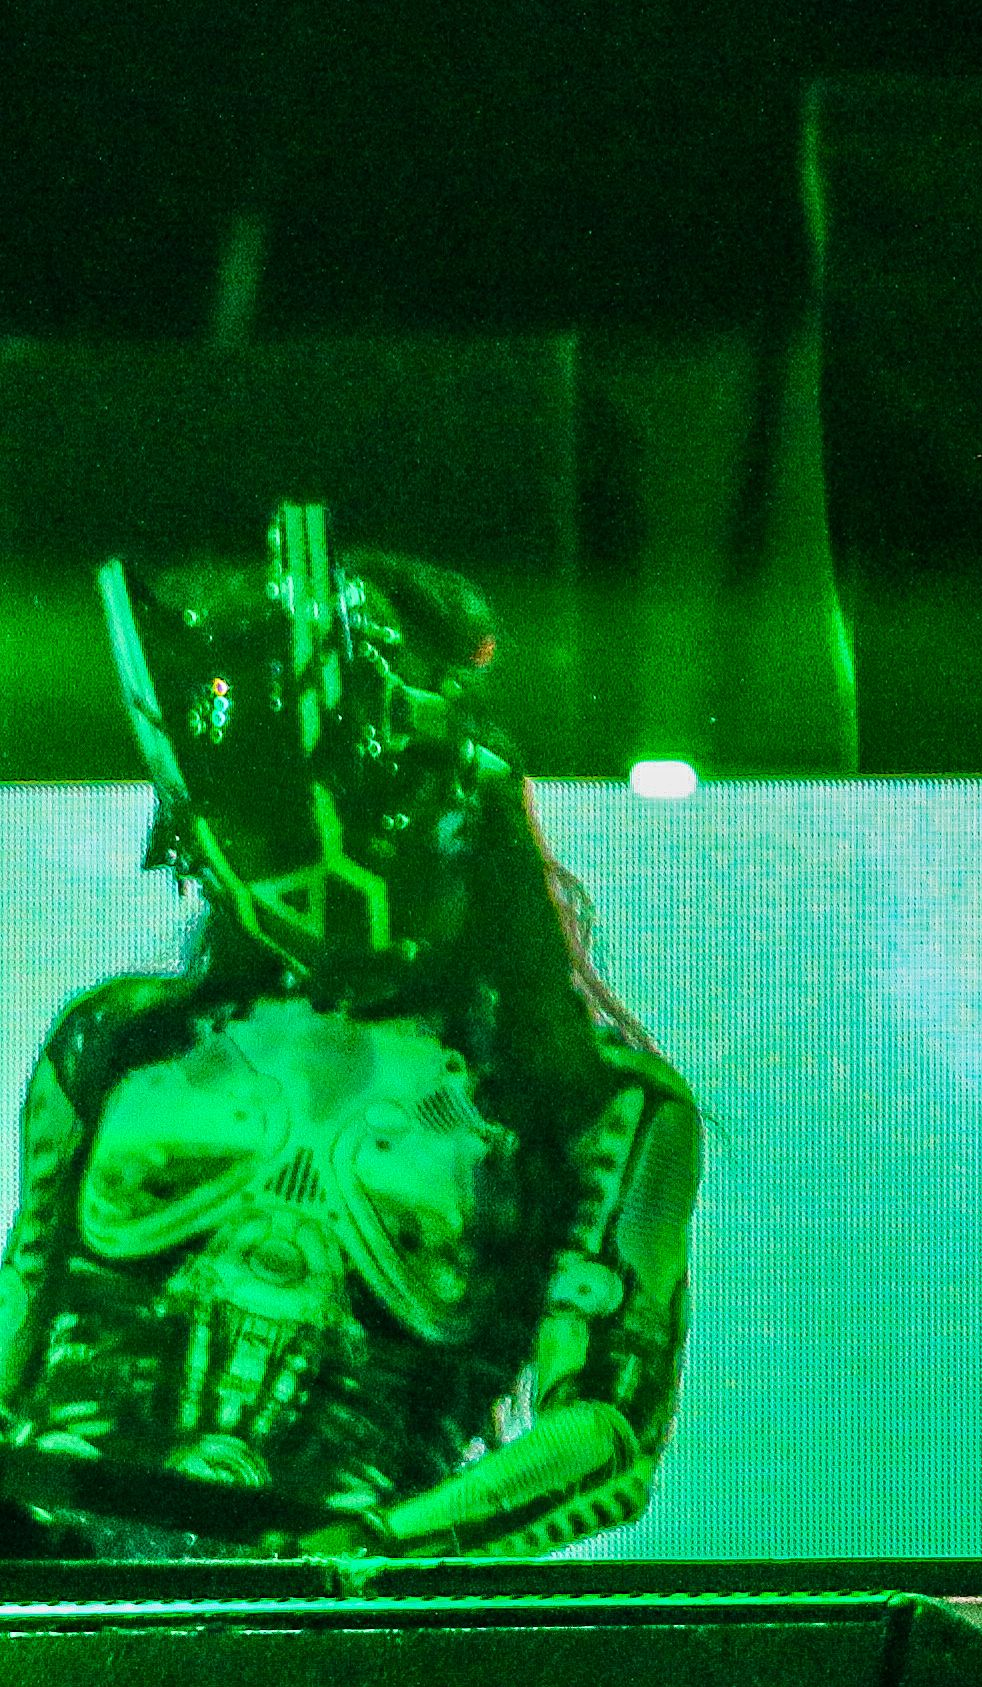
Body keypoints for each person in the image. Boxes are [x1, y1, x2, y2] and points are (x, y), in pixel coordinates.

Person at [0, 506, 698, 1561]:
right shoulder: (114, 1040)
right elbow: (22, 1315)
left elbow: (605, 1429)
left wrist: (372, 1551)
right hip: (47, 1572)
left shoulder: (598, 1107)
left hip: (318, 1610)